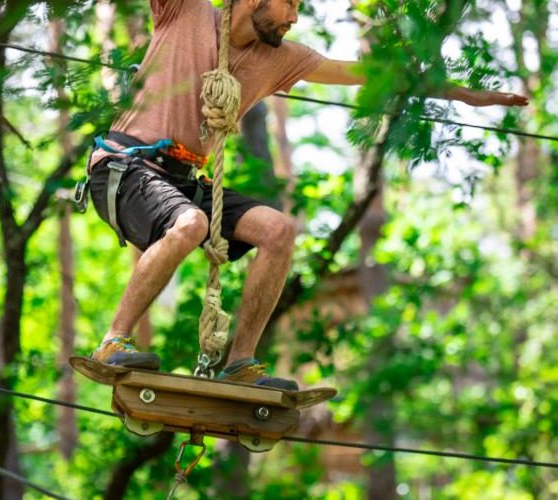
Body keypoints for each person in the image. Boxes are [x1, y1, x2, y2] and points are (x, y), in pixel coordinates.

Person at [86, 0, 528, 390]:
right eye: (291, 4)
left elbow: (371, 74)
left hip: (186, 180)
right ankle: (113, 342)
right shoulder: (184, 10)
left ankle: (240, 363)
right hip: (124, 166)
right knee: (192, 223)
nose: (295, 18)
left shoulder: (280, 59)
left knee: (278, 230)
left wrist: (464, 96)